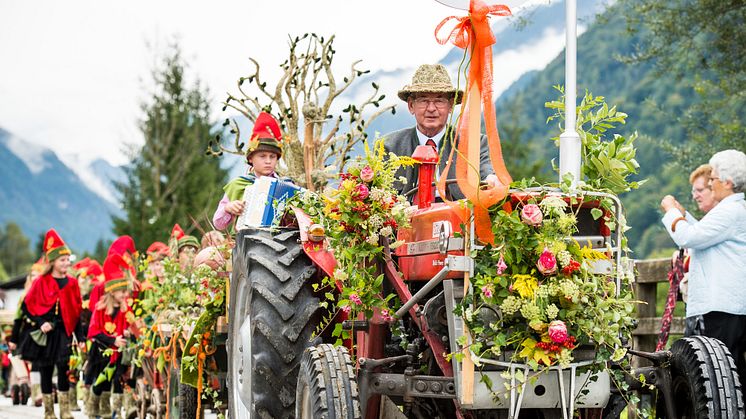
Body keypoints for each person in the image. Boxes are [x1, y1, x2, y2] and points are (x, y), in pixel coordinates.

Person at [660, 149, 746, 383]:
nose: (710, 182)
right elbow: (703, 233)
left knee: (719, 378)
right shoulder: (732, 211)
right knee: (724, 375)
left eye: (713, 178)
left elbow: (689, 238)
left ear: (727, 183)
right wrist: (683, 214)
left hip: (721, 308)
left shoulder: (729, 211)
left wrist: (671, 212)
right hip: (725, 307)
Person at [383, 64, 499, 200]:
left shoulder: (474, 143)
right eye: (423, 100)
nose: (431, 108)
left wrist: (491, 180)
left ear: (450, 105)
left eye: (439, 101)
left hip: (460, 218)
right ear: (411, 105)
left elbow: (487, 173)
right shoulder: (389, 147)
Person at [17, 229, 83, 419]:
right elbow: (27, 307)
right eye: (62, 260)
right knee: (45, 369)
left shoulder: (71, 283)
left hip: (64, 332)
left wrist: (80, 337)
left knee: (63, 368)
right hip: (46, 334)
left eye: (68, 259)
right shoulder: (41, 282)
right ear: (52, 261)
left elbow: (75, 311)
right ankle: (48, 412)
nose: (66, 263)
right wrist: (40, 323)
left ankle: (64, 410)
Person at [212, 111, 284, 231]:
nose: (268, 161)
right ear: (251, 158)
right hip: (244, 244)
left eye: (272, 156)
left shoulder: (286, 185)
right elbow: (218, 224)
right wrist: (228, 208)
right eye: (262, 156)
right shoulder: (237, 185)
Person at [85, 254, 133, 419]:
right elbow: (94, 332)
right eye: (121, 291)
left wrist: (127, 332)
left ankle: (116, 412)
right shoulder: (100, 309)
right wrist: (113, 340)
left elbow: (131, 325)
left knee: (118, 380)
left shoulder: (126, 309)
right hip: (101, 352)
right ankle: (94, 407)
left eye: (125, 291)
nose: (124, 294)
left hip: (119, 353)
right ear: (112, 292)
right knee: (101, 384)